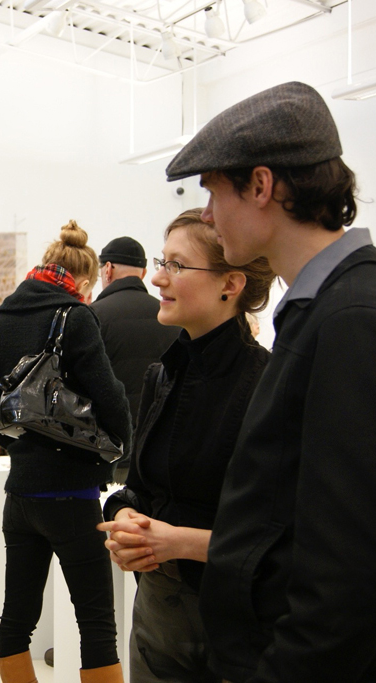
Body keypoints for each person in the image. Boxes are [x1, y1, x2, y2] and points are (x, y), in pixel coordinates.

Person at [165, 81, 376, 682]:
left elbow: (354, 577)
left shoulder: (356, 322)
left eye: (215, 192)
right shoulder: (330, 310)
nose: (209, 216)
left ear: (262, 186)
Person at [97, 209, 274, 682]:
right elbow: (136, 489)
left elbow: (282, 537)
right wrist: (125, 519)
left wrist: (178, 542)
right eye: (161, 261)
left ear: (230, 284)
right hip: (159, 611)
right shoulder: (164, 375)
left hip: (236, 620)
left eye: (176, 265)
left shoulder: (269, 386)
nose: (157, 277)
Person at [0, 220, 131, 683]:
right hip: (73, 495)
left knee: (16, 620)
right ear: (83, 281)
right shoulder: (75, 317)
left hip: (20, 497)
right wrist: (111, 449)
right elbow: (111, 398)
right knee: (96, 623)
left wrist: (23, 449)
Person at [92, 236, 180, 419]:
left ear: (107, 269)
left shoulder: (93, 315)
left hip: (110, 435)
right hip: (157, 429)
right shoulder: (170, 315)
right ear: (144, 273)